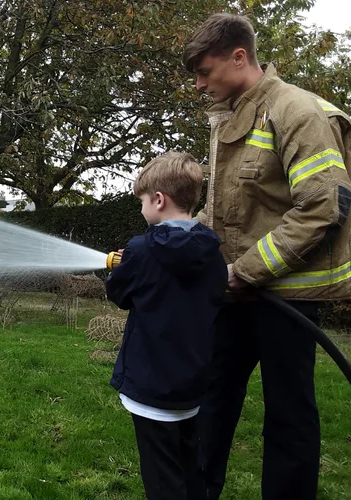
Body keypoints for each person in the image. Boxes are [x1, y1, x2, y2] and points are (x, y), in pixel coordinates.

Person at [182, 13, 351, 500]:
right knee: (209, 401)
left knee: (289, 416)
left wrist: (248, 271)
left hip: (288, 296)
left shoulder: (297, 111)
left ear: (239, 56)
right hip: (234, 291)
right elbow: (228, 212)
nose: (198, 84)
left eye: (204, 71)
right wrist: (174, 244)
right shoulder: (233, 115)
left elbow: (324, 206)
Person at [105, 151, 228, 500]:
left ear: (159, 200)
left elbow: (120, 293)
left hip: (150, 390)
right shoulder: (211, 253)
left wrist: (120, 267)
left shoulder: (142, 251)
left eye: (142, 201)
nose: (142, 209)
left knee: (161, 479)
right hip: (191, 389)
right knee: (190, 467)